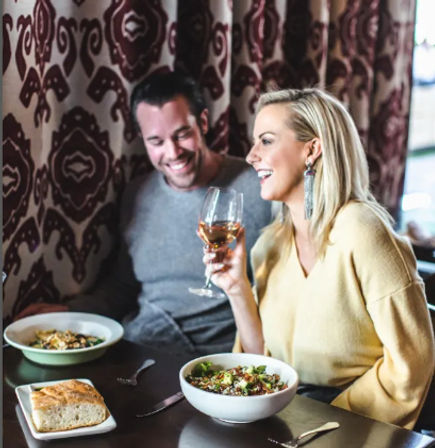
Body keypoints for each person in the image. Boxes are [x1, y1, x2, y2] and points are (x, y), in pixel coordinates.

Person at [204, 87, 435, 429]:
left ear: (311, 149)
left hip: (354, 422)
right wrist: (237, 287)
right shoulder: (269, 244)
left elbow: (412, 361)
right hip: (284, 417)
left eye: (266, 141)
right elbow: (260, 365)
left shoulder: (363, 230)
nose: (251, 156)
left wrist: (326, 421)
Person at [15, 71, 272, 354]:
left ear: (203, 122)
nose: (173, 152)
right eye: (156, 142)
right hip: (142, 345)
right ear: (142, 140)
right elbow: (123, 287)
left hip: (217, 355)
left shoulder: (259, 185)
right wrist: (67, 311)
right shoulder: (138, 193)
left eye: (182, 135)